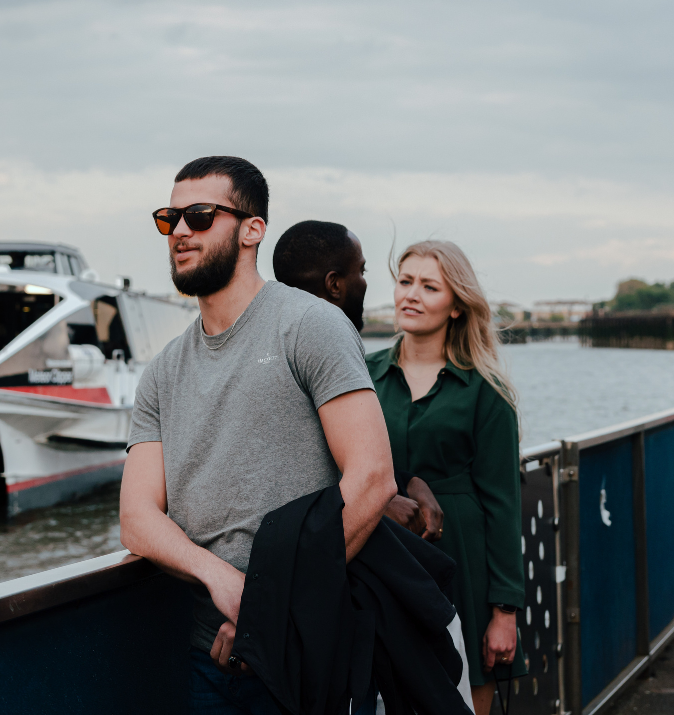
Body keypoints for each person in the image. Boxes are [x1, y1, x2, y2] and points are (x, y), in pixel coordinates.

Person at [120, 157, 397, 715]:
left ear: (252, 230)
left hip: (307, 646)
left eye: (199, 216)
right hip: (209, 654)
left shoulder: (310, 325)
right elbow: (137, 517)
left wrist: (268, 609)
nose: (179, 231)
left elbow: (372, 479)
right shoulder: (162, 371)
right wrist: (218, 577)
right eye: (169, 218)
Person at [365, 240, 526, 715]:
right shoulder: (361, 375)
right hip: (383, 559)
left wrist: (504, 611)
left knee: (463, 700)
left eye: (429, 286)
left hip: (464, 564)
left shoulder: (486, 390)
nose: (411, 295)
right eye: (405, 281)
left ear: (456, 306)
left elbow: (503, 505)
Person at [272, 220, 446, 542]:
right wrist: (378, 504)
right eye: (362, 272)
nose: (365, 283)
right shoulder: (326, 346)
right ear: (335, 285)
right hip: (313, 551)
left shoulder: (276, 344)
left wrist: (407, 482)